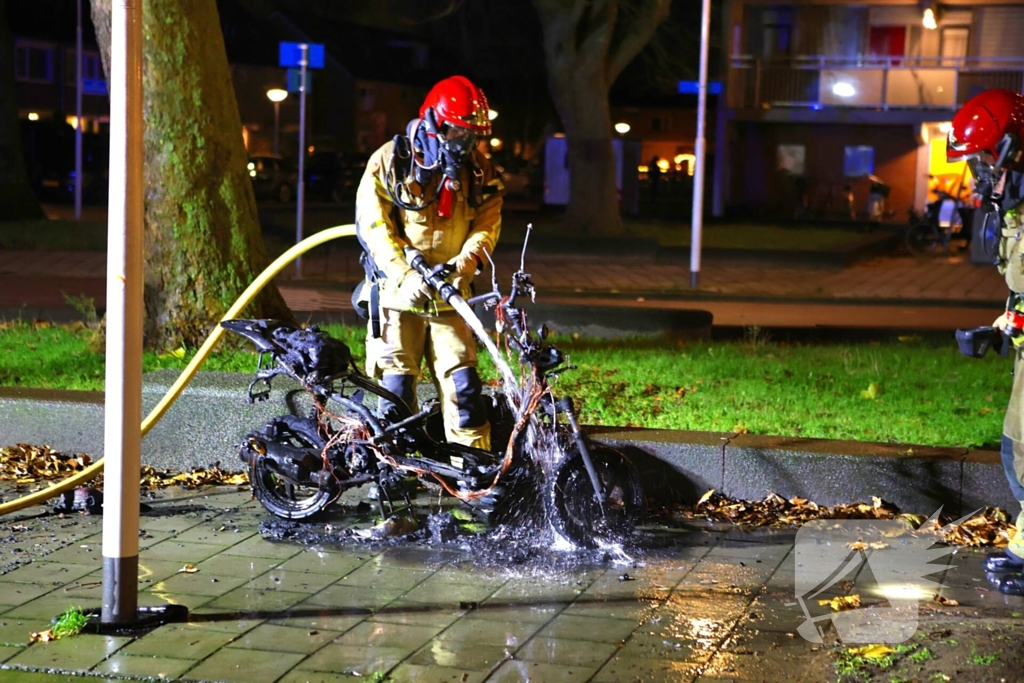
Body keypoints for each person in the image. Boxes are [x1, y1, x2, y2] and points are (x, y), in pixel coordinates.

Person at [354, 75, 505, 451]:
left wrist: (463, 266)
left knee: (464, 391)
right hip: (397, 298)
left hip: (450, 296)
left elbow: (487, 227)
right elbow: (374, 227)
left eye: (472, 136)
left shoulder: (480, 172)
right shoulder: (390, 161)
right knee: (396, 391)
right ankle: (396, 470)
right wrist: (404, 275)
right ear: (434, 122)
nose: (465, 143)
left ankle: (472, 468)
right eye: (458, 132)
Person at [947, 88, 1024, 595]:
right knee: (1017, 450)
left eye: (983, 162)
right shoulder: (1017, 208)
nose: (980, 176)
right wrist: (1007, 322)